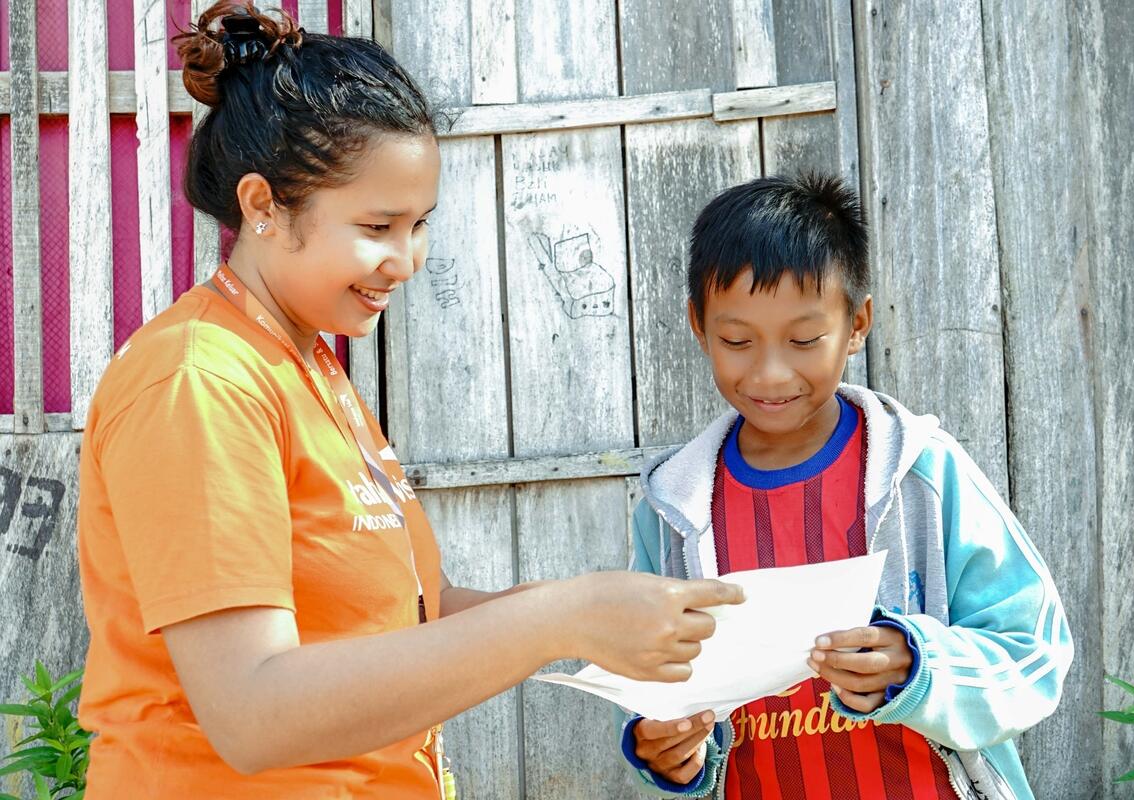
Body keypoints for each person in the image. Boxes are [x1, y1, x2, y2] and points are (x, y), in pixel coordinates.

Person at [74, 3, 743, 797]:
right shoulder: (200, 382)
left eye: (420, 224)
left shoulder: (307, 365)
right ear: (262, 207)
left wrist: (605, 623)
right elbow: (251, 710)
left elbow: (406, 614)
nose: (406, 260)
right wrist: (558, 618)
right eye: (378, 225)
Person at [617, 174, 1073, 799]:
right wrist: (666, 751)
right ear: (699, 325)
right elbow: (655, 689)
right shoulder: (673, 511)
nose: (770, 372)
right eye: (736, 340)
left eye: (804, 340)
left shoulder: (923, 476)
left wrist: (919, 665)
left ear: (857, 324)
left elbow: (1036, 651)